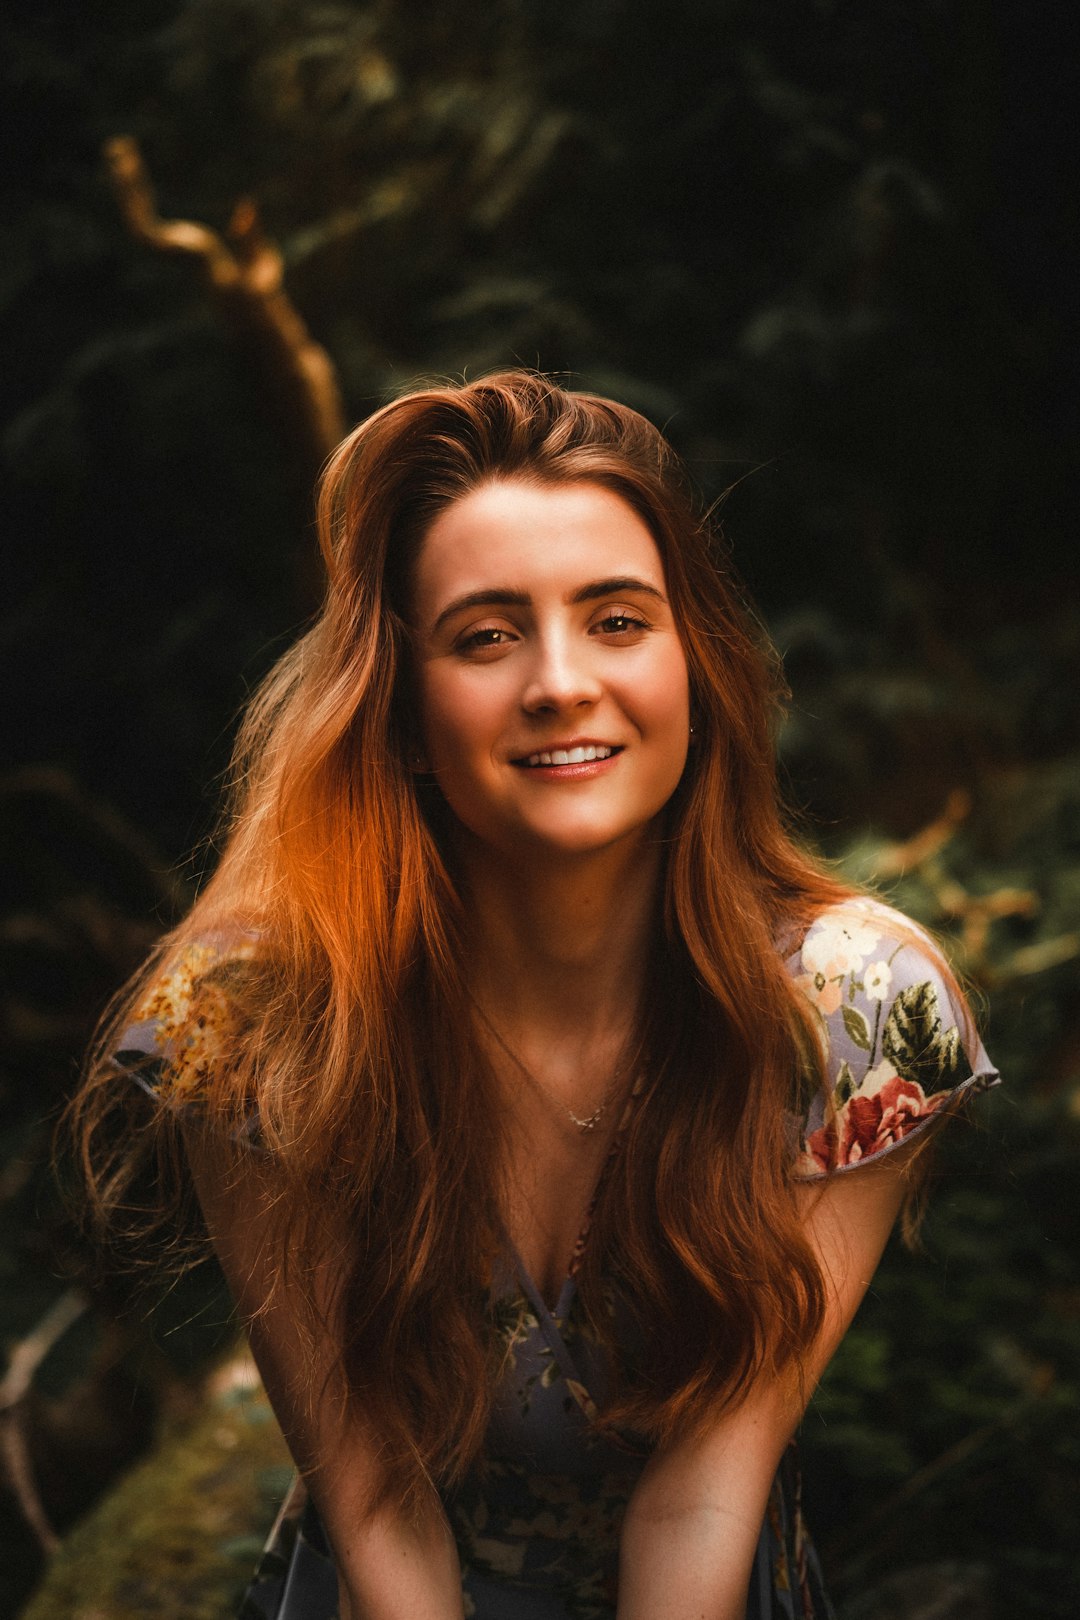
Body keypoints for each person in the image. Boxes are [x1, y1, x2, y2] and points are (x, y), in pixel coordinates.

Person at [71, 371, 998, 1620]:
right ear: (399, 711)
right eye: (487, 635)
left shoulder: (857, 1013)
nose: (560, 682)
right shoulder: (250, 1024)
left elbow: (704, 1499)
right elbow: (374, 1504)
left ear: (696, 671)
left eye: (617, 620)